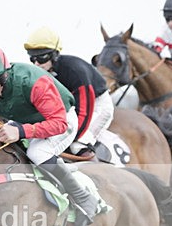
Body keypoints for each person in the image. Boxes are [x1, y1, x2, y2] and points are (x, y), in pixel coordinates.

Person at [0, 45, 97, 226]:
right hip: (26, 120)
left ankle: (83, 197)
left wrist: (20, 131)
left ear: (4, 76)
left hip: (61, 119)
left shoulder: (34, 83)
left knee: (37, 152)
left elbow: (58, 123)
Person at [24, 27, 114, 157]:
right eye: (32, 59)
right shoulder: (43, 72)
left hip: (97, 105)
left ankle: (94, 167)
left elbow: (84, 111)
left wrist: (70, 137)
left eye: (42, 58)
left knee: (76, 145)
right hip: (71, 107)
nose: (37, 64)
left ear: (54, 55)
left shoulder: (75, 72)